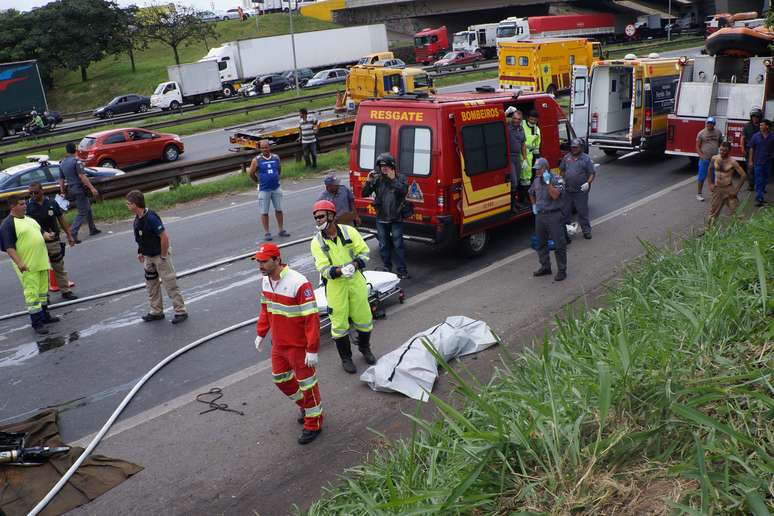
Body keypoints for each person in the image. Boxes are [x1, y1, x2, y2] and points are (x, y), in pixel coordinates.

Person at [253, 242, 323, 445]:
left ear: (277, 260)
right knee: (281, 379)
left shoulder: (298, 283)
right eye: (258, 261)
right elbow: (266, 309)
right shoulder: (266, 281)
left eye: (264, 261)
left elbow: (311, 318)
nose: (260, 265)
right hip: (279, 344)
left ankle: (314, 423)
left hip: (299, 347)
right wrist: (261, 333)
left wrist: (312, 349)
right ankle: (306, 405)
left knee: (307, 385)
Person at [310, 199, 375, 374]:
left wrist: (354, 265)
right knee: (338, 324)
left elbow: (364, 252)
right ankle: (346, 358)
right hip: (335, 287)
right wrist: (339, 271)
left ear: (331, 216)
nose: (318, 220)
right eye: (316, 218)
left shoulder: (349, 232)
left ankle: (364, 348)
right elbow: (323, 268)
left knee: (364, 318)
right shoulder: (317, 242)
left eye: (321, 217)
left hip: (356, 282)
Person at [126, 190, 188, 324]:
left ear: (136, 205)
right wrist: (140, 251)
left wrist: (164, 256)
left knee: (170, 284)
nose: (127, 206)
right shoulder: (137, 220)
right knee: (151, 286)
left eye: (129, 203)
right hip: (148, 257)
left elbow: (164, 237)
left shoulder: (151, 218)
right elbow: (140, 238)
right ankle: (156, 311)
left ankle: (180, 311)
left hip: (159, 256)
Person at [0, 195, 58, 335]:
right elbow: (9, 247)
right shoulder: (8, 224)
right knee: (32, 294)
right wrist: (19, 263)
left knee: (43, 293)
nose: (25, 206)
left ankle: (45, 317)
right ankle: (37, 323)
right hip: (27, 266)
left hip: (41, 262)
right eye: (21, 204)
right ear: (12, 207)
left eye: (24, 203)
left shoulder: (30, 220)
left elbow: (40, 233)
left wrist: (48, 236)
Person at [26, 182, 78, 300]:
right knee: (42, 270)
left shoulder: (52, 203)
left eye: (36, 192)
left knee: (59, 267)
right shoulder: (28, 206)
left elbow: (61, 219)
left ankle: (66, 291)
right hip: (37, 243)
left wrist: (69, 235)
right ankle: (44, 297)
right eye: (30, 193)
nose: (33, 195)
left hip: (53, 241)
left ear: (42, 190)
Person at [361, 152, 409, 279]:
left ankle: (402, 270)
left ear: (392, 165)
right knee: (383, 245)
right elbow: (364, 193)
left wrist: (393, 179)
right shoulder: (377, 179)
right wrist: (368, 182)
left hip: (396, 218)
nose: (383, 168)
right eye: (381, 166)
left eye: (385, 166)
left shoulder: (401, 178)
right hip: (381, 218)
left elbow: (404, 191)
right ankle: (387, 268)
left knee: (398, 245)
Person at [529, 158, 567, 282]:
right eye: (535, 169)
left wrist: (547, 183)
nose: (536, 172)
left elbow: (555, 195)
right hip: (540, 215)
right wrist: (534, 205)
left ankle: (562, 270)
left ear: (545, 168)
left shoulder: (557, 179)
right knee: (541, 243)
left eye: (539, 169)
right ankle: (545, 266)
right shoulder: (536, 180)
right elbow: (531, 192)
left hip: (554, 215)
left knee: (558, 243)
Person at [59, 142, 100, 242]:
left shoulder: (62, 163)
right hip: (79, 189)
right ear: (75, 150)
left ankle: (92, 228)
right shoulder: (76, 161)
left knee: (87, 208)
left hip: (71, 189)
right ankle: (73, 232)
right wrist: (92, 188)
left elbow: (61, 180)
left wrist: (62, 192)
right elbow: (82, 176)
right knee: (82, 212)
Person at [249, 139, 289, 241]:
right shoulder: (256, 160)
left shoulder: (276, 157)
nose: (265, 149)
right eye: (262, 148)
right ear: (260, 149)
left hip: (276, 188)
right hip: (264, 190)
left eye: (266, 147)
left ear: (269, 147)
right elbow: (251, 173)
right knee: (264, 212)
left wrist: (275, 177)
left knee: (279, 209)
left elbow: (279, 169)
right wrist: (258, 182)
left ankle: (281, 230)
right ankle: (267, 232)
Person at [560, 138, 596, 240]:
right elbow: (562, 170)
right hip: (568, 190)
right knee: (565, 213)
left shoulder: (586, 159)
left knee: (582, 212)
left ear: (581, 148)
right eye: (572, 147)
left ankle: (586, 231)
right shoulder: (566, 158)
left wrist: (587, 183)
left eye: (576, 147)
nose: (574, 149)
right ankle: (565, 233)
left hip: (580, 191)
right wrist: (562, 179)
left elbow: (592, 173)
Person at [707, 141, 747, 226]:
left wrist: (736, 191)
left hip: (728, 189)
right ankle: (708, 231)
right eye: (720, 150)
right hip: (717, 188)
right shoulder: (714, 158)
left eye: (724, 151)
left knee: (737, 211)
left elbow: (743, 175)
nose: (722, 152)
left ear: (729, 151)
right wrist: (710, 183)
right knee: (713, 211)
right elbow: (710, 170)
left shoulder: (732, 162)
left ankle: (742, 231)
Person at [695, 117, 723, 202]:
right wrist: (701, 155)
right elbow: (697, 146)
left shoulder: (718, 132)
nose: (709, 125)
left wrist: (720, 151)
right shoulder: (701, 133)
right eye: (708, 123)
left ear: (714, 124)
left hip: (714, 159)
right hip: (705, 159)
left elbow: (720, 142)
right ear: (706, 123)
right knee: (702, 176)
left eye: (711, 123)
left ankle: (714, 194)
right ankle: (699, 194)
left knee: (714, 177)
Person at [747, 118, 774, 207]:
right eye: (760, 125)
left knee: (766, 179)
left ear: (767, 126)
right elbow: (751, 148)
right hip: (758, 161)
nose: (760, 126)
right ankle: (759, 198)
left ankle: (760, 193)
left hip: (768, 162)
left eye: (762, 125)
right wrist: (750, 160)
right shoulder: (756, 136)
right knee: (759, 180)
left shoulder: (772, 136)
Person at [506, 107, 527, 211]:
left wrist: (524, 159)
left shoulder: (521, 129)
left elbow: (523, 144)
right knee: (513, 182)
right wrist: (506, 112)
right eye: (514, 118)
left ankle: (515, 202)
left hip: (517, 157)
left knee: (517, 181)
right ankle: (511, 205)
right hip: (509, 157)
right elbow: (500, 118)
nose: (516, 121)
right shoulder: (507, 126)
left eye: (518, 119)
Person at [740, 108, 761, 192]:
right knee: (750, 168)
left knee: (759, 169)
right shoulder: (747, 126)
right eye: (754, 116)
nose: (755, 118)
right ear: (751, 117)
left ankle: (760, 185)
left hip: (760, 151)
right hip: (749, 151)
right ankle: (751, 185)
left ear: (760, 117)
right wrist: (742, 148)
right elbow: (743, 137)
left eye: (757, 116)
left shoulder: (762, 125)